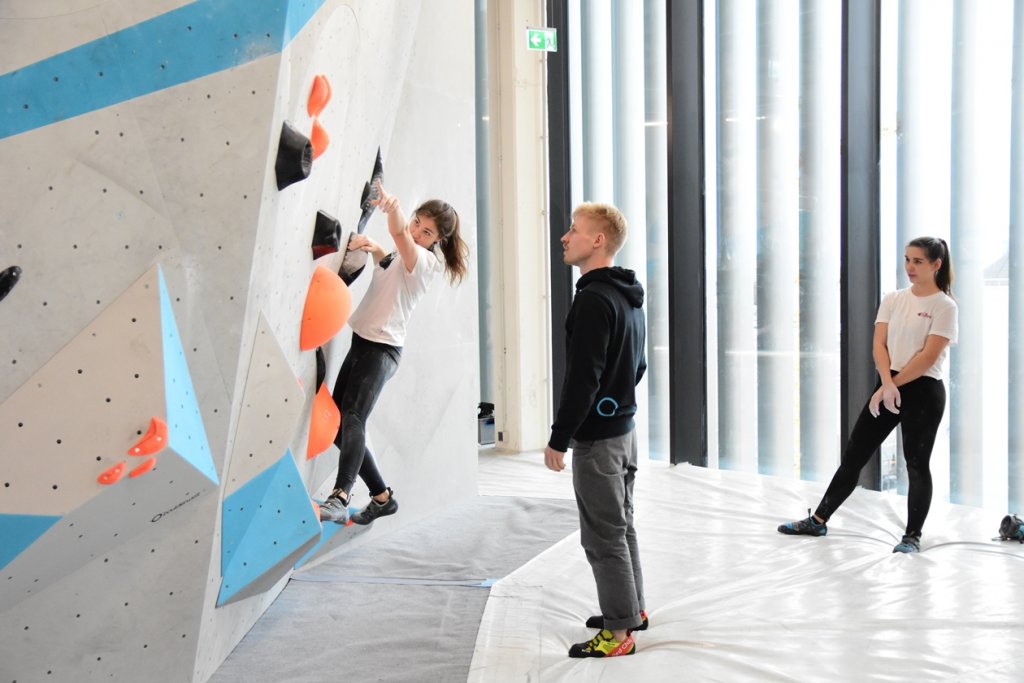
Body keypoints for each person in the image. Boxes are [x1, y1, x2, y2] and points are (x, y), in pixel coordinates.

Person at [778, 236, 958, 553]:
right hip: (889, 384)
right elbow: (879, 345)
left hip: (924, 391)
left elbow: (927, 358)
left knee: (916, 464)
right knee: (854, 456)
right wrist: (886, 385)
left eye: (917, 261)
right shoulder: (893, 298)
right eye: (907, 259)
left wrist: (892, 385)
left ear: (936, 265)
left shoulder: (944, 306)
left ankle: (912, 536)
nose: (910, 267)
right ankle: (817, 521)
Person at [319, 180, 468, 526]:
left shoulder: (425, 262)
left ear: (436, 241)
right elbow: (389, 263)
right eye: (417, 222)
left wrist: (390, 207)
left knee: (354, 417)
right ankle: (383, 498)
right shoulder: (399, 257)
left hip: (382, 351)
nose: (417, 232)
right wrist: (372, 248)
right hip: (361, 343)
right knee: (339, 428)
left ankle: (340, 497)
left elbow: (401, 239)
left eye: (427, 231)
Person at [544, 202, 648, 658]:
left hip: (600, 440)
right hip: (625, 432)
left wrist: (559, 437)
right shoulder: (627, 294)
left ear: (598, 240)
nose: (565, 237)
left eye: (574, 230)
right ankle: (631, 611)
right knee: (621, 525)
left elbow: (582, 377)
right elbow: (638, 363)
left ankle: (619, 634)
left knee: (602, 535)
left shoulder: (592, 298)